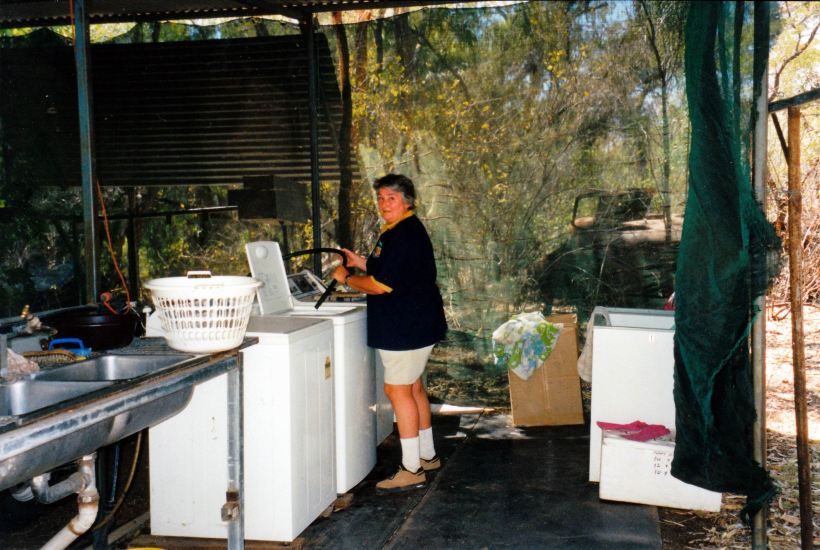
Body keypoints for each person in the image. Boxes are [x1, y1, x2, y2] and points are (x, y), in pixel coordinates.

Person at [333, 173, 447, 493]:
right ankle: (427, 456)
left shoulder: (403, 234)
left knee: (398, 391)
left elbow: (381, 286)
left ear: (407, 201)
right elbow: (391, 269)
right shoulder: (399, 229)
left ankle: (411, 469)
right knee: (412, 388)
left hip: (406, 325)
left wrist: (346, 277)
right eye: (381, 198)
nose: (385, 204)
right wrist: (362, 262)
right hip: (417, 322)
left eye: (392, 198)